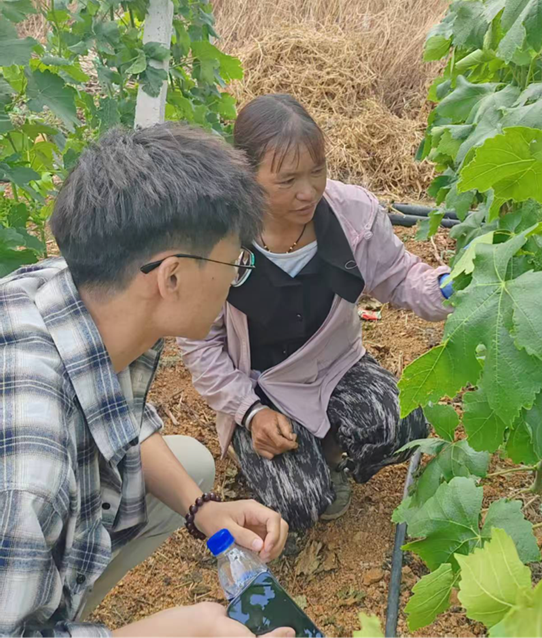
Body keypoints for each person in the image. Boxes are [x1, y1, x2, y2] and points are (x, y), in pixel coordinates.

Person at [0, 124, 293, 638]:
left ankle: (54, 603)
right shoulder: (31, 474)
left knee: (192, 465)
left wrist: (204, 511)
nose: (234, 280)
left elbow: (114, 413)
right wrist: (178, 631)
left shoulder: (76, 292)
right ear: (171, 277)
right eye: (234, 263)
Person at [178, 94, 453, 530]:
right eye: (287, 180)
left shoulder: (353, 215)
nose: (308, 192)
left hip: (336, 366)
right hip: (262, 386)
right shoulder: (215, 237)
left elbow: (398, 276)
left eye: (317, 171)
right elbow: (200, 344)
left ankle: (327, 446)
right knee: (299, 505)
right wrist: (250, 412)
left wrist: (447, 287)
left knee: (400, 426)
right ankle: (265, 447)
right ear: (246, 175)